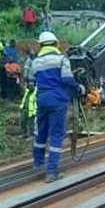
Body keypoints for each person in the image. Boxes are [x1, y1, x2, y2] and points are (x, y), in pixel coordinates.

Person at [29, 31, 83, 183]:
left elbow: (31, 82)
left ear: (40, 45)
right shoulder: (61, 59)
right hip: (58, 100)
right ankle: (52, 172)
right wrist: (79, 88)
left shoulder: (35, 62)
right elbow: (66, 79)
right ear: (55, 44)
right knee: (57, 135)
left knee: (41, 132)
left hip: (41, 100)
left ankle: (38, 163)